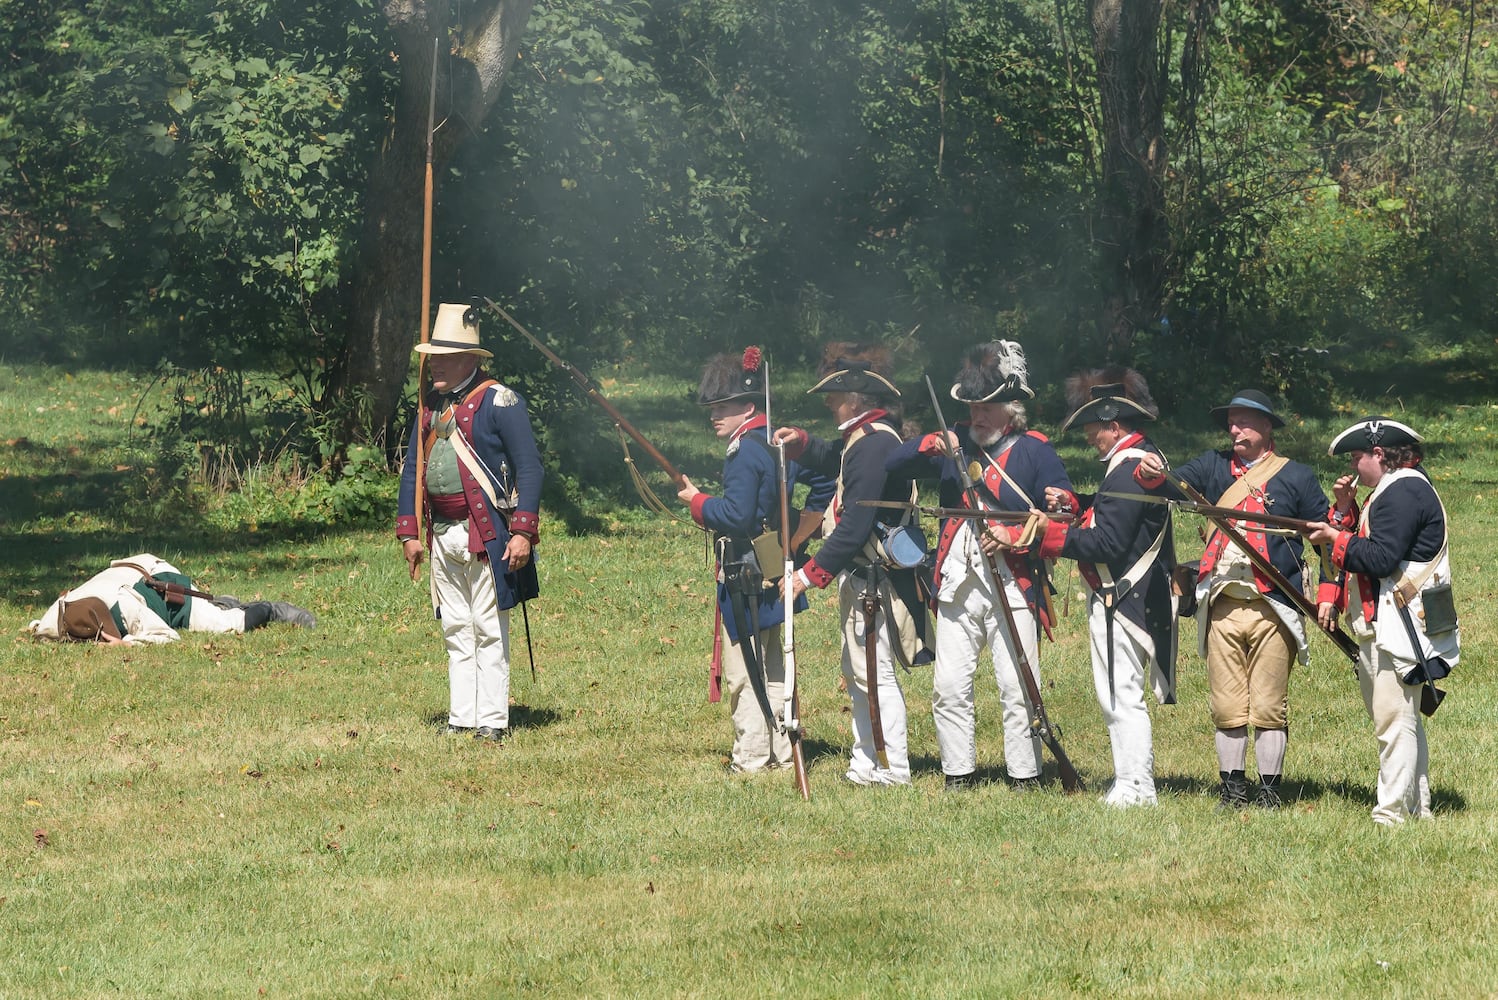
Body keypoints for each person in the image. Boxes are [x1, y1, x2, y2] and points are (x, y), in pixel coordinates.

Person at [884, 341, 1077, 792]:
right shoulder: (953, 444)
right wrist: (933, 443)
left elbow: (1066, 509)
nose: (978, 416)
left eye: (987, 407)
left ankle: (1025, 775)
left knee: (1017, 686)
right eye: (973, 407)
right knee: (949, 685)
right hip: (957, 581)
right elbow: (894, 464)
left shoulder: (1035, 452)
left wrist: (1030, 523)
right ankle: (958, 772)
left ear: (1011, 409)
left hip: (1014, 581)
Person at [1135, 389, 1335, 811]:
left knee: (1268, 705)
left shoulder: (1295, 476)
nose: (1234, 428)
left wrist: (1331, 594)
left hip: (1273, 605)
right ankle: (1232, 790)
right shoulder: (1211, 465)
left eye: (1244, 421)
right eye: (1231, 421)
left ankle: (1268, 791)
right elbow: (1168, 483)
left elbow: (1325, 537)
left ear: (1266, 427)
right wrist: (1151, 470)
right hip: (1220, 602)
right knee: (1226, 705)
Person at [773, 343, 931, 787]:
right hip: (863, 573)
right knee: (859, 670)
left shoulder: (875, 443)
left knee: (874, 672)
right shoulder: (865, 439)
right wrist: (801, 443)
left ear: (857, 400)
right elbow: (838, 465)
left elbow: (857, 521)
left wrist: (809, 574)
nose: (829, 401)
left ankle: (893, 766)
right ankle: (866, 760)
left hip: (875, 576)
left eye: (836, 394)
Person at [676, 347, 835, 773]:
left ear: (748, 405)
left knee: (744, 668)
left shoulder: (744, 448)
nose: (714, 416)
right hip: (774, 566)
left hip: (745, 571)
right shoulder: (775, 440)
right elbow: (824, 478)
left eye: (723, 407)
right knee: (777, 663)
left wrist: (697, 502)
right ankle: (784, 754)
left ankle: (750, 756)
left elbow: (737, 514)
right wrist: (795, 536)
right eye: (713, 407)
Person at [397, 301, 543, 742]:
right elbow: (412, 469)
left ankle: (493, 722)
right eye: (432, 357)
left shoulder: (501, 401)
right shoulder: (431, 405)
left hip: (486, 534)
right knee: (456, 626)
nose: (433, 365)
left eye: (442, 357)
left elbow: (530, 468)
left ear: (468, 360)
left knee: (487, 626)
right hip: (441, 532)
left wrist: (521, 531)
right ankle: (462, 717)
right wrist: (408, 531)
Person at [1303, 417, 1458, 825]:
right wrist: (1341, 516)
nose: (1354, 467)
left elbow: (1380, 558)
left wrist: (1335, 540)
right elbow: (1369, 539)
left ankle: (1390, 814)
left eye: (1357, 457)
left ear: (1379, 454)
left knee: (1393, 721)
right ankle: (1416, 805)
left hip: (1401, 624)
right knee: (1400, 718)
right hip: (1391, 621)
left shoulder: (1403, 490)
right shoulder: (1393, 489)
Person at [1038, 370, 1176, 808]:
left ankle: (1138, 787)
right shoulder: (1132, 462)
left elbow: (1110, 542)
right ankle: (1129, 781)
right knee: (1118, 693)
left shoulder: (1129, 467)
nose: (1089, 437)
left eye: (1093, 429)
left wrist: (1044, 535)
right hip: (1127, 594)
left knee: (1121, 695)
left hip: (1124, 595)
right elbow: (1113, 514)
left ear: (1114, 426)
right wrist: (1076, 504)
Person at [28, 553, 315, 644]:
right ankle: (219, 603)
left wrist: (126, 642)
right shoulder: (60, 612)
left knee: (229, 625)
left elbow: (166, 636)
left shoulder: (125, 607)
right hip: (132, 568)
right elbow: (40, 628)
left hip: (160, 583)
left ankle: (271, 609)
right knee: (214, 613)